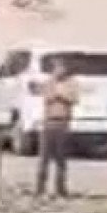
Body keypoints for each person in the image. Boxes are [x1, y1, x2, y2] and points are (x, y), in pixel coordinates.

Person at [36, 55, 79, 199]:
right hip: (48, 123)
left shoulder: (72, 83)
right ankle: (40, 188)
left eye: (61, 67)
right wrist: (56, 93)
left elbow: (73, 98)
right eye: (56, 68)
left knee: (61, 158)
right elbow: (47, 96)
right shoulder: (49, 82)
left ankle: (61, 188)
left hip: (63, 123)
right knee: (44, 158)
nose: (59, 70)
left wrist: (60, 94)